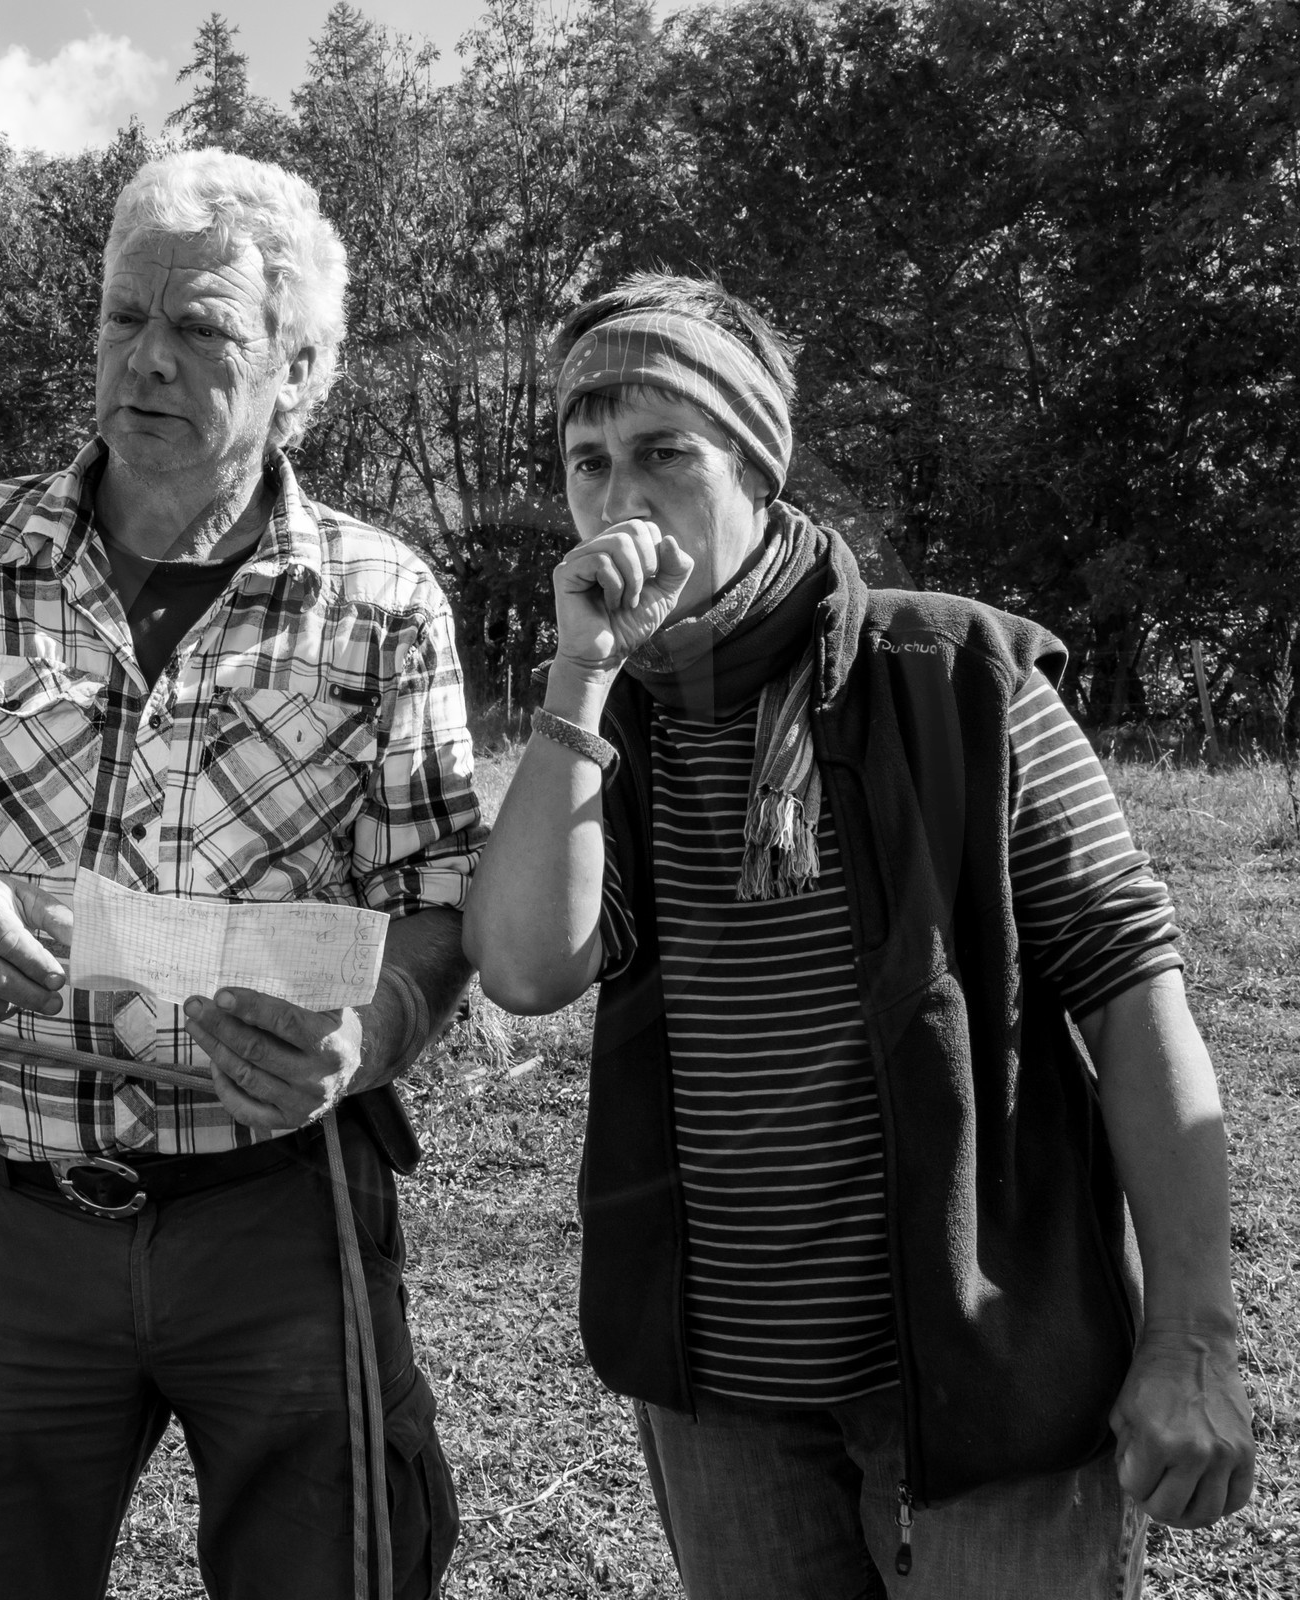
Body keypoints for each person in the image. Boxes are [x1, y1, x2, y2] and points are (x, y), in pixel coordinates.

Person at [463, 272, 1256, 1599]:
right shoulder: (615, 726)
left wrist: (1192, 1333)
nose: (620, 499)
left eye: (668, 453)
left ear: (758, 466)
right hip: (723, 1388)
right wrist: (580, 677)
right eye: (588, 463)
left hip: (987, 1357)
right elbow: (529, 968)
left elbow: (1133, 993)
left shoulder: (957, 680)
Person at [0, 150, 482, 1600]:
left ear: (304, 371)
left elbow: (441, 909)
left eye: (204, 330)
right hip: (12, 1226)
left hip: (286, 1219)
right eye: (121, 319)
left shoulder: (384, 596)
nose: (147, 361)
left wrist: (365, 1041)